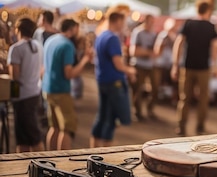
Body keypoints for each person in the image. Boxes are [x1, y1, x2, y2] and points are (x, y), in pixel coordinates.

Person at [171, 0, 217, 136]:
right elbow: (215, 48)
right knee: (203, 98)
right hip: (204, 68)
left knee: (184, 98)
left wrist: (175, 64)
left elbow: (178, 43)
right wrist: (216, 66)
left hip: (187, 66)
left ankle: (181, 127)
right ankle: (200, 126)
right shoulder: (212, 27)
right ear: (208, 10)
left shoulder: (188, 23)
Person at [42, 18, 93, 150]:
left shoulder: (51, 40)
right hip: (60, 90)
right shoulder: (67, 45)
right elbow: (69, 74)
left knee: (54, 127)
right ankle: (63, 163)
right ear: (72, 29)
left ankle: (49, 160)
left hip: (47, 88)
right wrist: (85, 60)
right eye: (77, 28)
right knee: (67, 128)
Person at [91, 11, 136, 147]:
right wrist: (130, 70)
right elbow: (118, 63)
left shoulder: (101, 36)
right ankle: (105, 155)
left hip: (102, 79)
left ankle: (93, 150)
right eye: (123, 21)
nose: (124, 25)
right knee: (111, 120)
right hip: (113, 82)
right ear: (117, 21)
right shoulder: (112, 38)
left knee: (102, 116)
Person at [7, 18, 44, 152]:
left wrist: (14, 97)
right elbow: (41, 69)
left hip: (22, 97)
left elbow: (14, 77)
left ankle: (36, 165)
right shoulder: (38, 46)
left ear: (18, 30)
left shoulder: (16, 48)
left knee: (28, 138)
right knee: (30, 135)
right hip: (35, 93)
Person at [129, 14, 158, 120]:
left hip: (150, 65)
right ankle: (138, 112)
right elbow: (134, 51)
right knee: (137, 89)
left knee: (155, 88)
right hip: (139, 65)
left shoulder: (153, 34)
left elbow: (154, 52)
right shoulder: (138, 33)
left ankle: (150, 109)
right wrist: (148, 52)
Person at [154, 17, 178, 105]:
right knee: (162, 80)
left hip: (170, 62)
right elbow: (158, 49)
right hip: (162, 63)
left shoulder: (174, 36)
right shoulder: (164, 35)